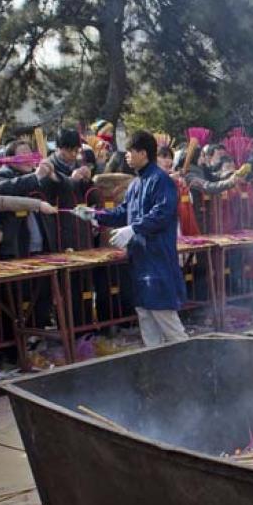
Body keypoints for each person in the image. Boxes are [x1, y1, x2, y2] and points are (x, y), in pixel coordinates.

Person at [84, 130, 187, 348]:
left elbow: (162, 213)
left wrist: (133, 228)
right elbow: (122, 212)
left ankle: (190, 369)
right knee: (145, 318)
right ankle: (155, 370)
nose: (127, 156)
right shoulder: (135, 184)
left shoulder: (161, 181)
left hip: (157, 260)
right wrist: (94, 215)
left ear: (143, 153)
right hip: (139, 260)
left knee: (167, 320)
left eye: (130, 151)